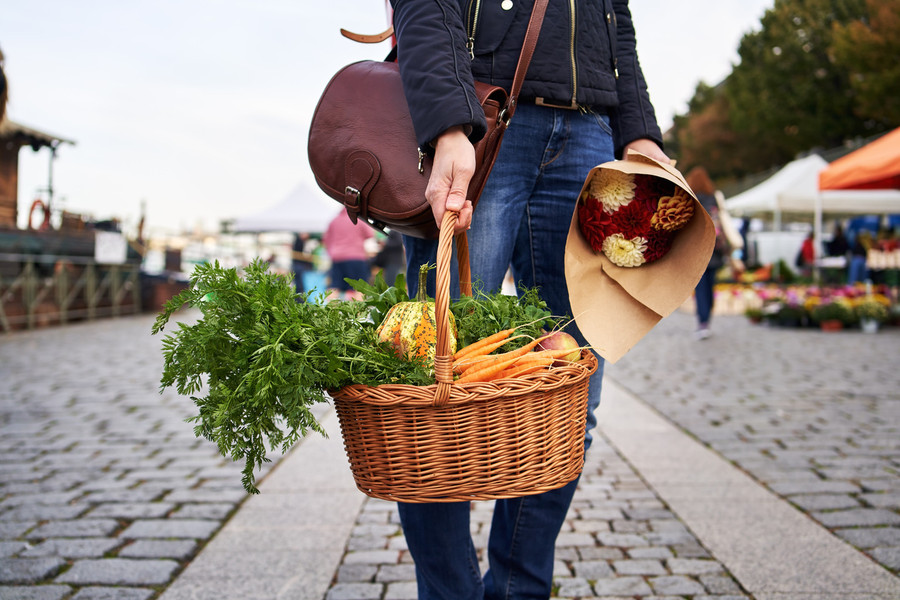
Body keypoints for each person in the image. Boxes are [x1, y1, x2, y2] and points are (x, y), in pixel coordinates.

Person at [389, 1, 669, 598]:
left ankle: (518, 590)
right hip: (482, 115)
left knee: (568, 400)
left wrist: (639, 130)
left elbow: (614, 18)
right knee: (433, 396)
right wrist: (446, 123)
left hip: (592, 130)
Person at [686, 166, 733, 340]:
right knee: (710, 287)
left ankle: (702, 322)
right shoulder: (713, 197)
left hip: (697, 252)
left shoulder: (689, 197)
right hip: (714, 250)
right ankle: (707, 319)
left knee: (700, 288)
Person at [322, 210, 374, 299]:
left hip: (337, 258)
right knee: (359, 288)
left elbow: (325, 240)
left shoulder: (334, 221)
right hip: (356, 257)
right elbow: (370, 234)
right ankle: (358, 312)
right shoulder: (358, 219)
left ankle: (330, 311)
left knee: (334, 287)